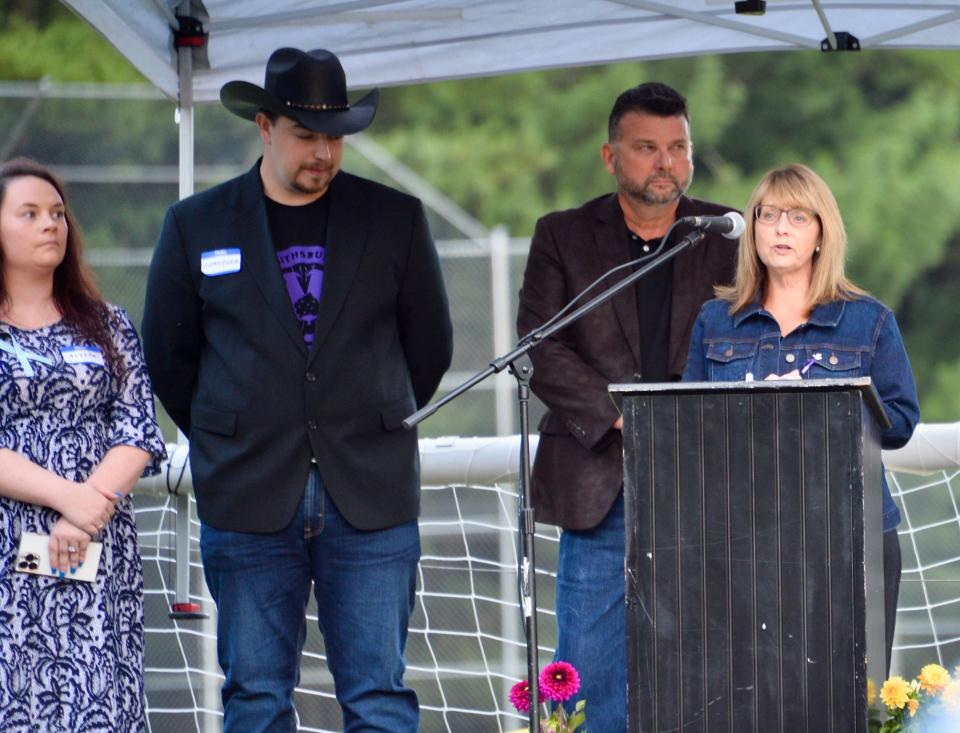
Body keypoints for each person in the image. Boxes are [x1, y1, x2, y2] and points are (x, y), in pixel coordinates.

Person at [141, 47, 452, 732]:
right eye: (307, 134)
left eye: (335, 135)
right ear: (264, 126)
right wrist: (241, 431)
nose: (324, 152)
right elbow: (168, 357)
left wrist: (365, 416)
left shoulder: (393, 218)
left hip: (370, 493)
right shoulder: (196, 225)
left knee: (379, 698)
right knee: (254, 698)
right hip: (248, 494)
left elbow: (429, 348)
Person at [516, 82, 737, 730]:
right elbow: (539, 347)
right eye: (647, 148)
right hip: (600, 480)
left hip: (709, 483)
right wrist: (623, 414)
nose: (665, 161)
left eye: (678, 147)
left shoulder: (726, 233)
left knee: (713, 667)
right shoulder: (562, 235)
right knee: (589, 671)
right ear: (611, 156)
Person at [683, 163, 919, 666]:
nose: (781, 228)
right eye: (768, 216)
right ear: (752, 232)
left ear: (821, 234)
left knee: (854, 699)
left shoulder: (868, 320)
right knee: (750, 698)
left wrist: (823, 406)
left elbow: (900, 421)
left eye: (797, 216)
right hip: (741, 539)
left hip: (851, 535)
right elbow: (687, 425)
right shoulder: (715, 320)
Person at [0, 157, 166, 732]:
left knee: (97, 689)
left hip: (97, 542)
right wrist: (66, 499)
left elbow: (137, 427)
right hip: (9, 550)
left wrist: (89, 510)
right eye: (30, 213)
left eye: (58, 214)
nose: (51, 224)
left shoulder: (108, 323)